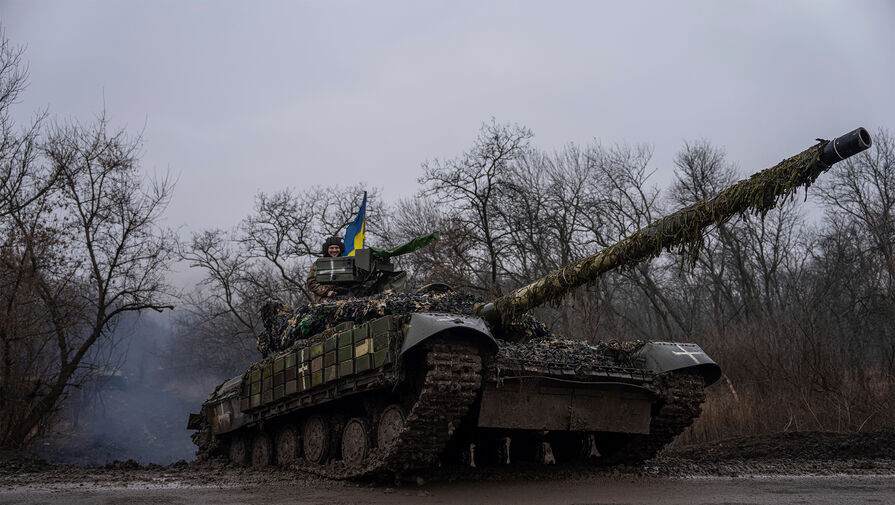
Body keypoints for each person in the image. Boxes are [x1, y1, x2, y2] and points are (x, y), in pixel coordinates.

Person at [307, 236, 344, 301]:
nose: (334, 250)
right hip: (324, 300)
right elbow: (311, 282)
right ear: (327, 249)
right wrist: (326, 292)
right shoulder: (319, 263)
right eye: (331, 248)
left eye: (337, 248)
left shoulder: (346, 262)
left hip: (344, 299)